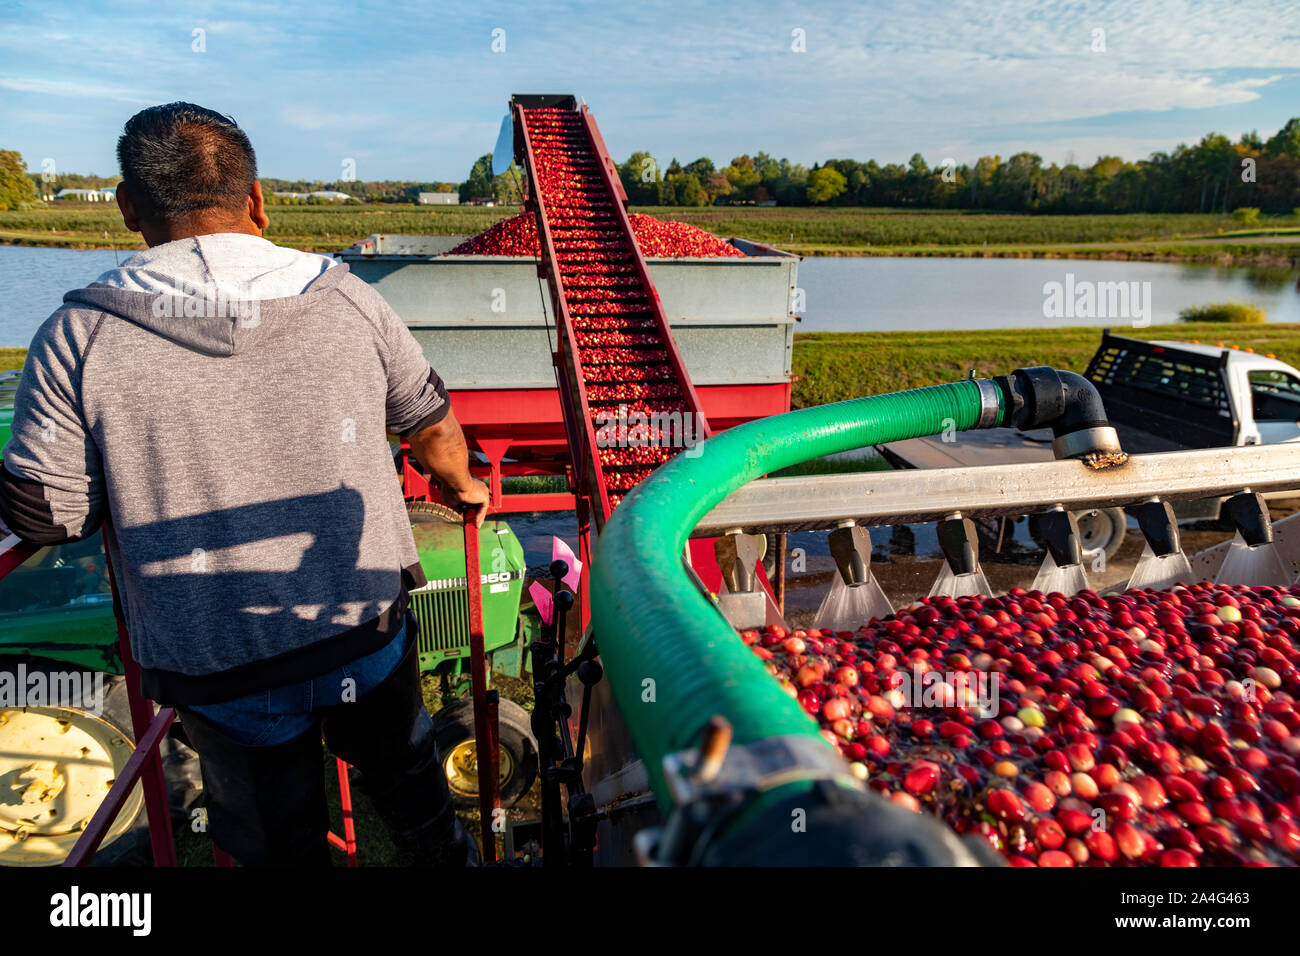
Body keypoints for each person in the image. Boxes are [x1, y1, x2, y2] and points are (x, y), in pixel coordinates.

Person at [0, 102, 490, 866]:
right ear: (257, 201)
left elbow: (51, 512)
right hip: (361, 630)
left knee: (274, 843)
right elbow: (430, 427)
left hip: (219, 660)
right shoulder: (348, 297)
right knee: (413, 794)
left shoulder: (78, 333)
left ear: (129, 207)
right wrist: (461, 486)